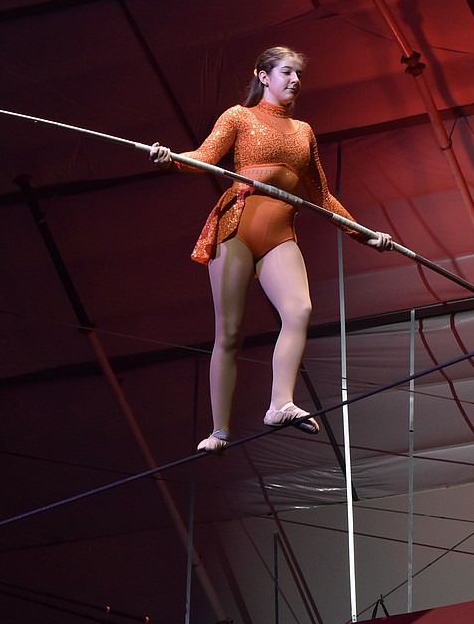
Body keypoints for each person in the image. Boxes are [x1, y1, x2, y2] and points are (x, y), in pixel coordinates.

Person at [150, 45, 393, 453]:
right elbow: (203, 158)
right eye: (286, 72)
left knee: (300, 311)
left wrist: (364, 234)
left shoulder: (304, 132)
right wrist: (168, 159)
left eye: (298, 74)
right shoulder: (239, 117)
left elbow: (323, 197)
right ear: (263, 76)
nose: (295, 81)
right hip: (237, 227)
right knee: (229, 332)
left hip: (280, 235)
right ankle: (220, 431)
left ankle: (280, 403)